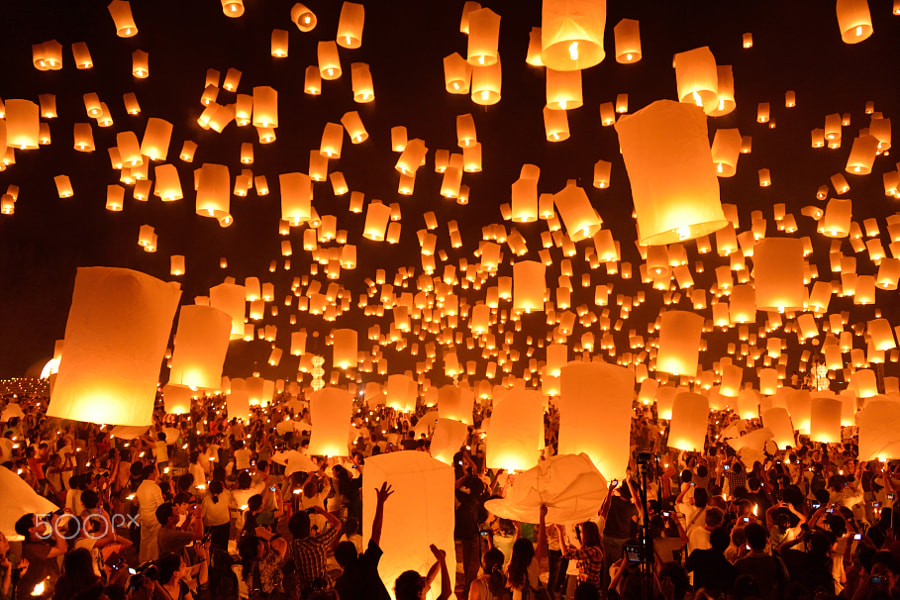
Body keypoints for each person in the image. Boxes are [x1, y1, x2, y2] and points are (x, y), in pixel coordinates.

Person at [333, 482, 393, 600]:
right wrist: (380, 503)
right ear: (355, 552)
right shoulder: (367, 563)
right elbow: (376, 532)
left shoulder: (340, 585)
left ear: (340, 563)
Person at [286, 503, 342, 596]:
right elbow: (338, 524)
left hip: (305, 593)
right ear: (308, 527)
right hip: (323, 591)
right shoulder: (319, 542)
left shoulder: (292, 546)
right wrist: (322, 511)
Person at [14, 511, 66, 600]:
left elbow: (64, 545)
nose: (42, 521)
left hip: (48, 591)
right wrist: (54, 525)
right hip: (39, 595)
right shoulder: (31, 548)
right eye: (38, 520)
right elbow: (62, 549)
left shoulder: (41, 541)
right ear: (31, 529)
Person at [733, 523, 788, 600]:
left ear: (748, 541)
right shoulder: (776, 561)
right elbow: (785, 581)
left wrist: (738, 557)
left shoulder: (741, 563)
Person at [685, 526, 735, 598]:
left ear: (710, 540)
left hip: (697, 596)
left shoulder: (697, 555)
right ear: (727, 544)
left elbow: (685, 569)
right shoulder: (727, 567)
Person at [135, 464, 165, 564]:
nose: (157, 474)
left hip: (144, 517)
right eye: (155, 472)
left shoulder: (140, 487)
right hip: (154, 518)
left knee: (144, 541)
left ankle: (143, 562)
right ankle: (153, 562)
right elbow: (160, 505)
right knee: (154, 542)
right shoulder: (155, 487)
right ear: (151, 474)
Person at [201, 480, 232, 551]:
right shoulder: (226, 495)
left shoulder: (206, 500)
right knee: (223, 547)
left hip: (211, 528)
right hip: (225, 525)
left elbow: (202, 515)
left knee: (211, 548)